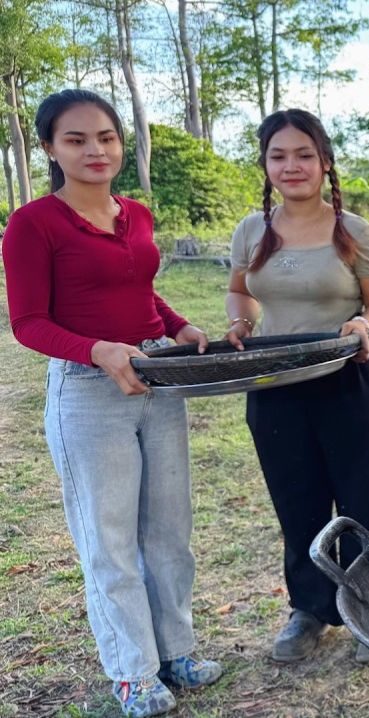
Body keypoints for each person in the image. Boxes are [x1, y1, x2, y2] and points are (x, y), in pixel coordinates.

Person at [2, 89, 221, 717]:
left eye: (106, 137)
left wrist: (178, 326)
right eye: (76, 139)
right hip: (88, 394)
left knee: (170, 532)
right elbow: (28, 323)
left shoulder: (138, 214)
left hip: (156, 378)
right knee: (110, 539)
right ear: (49, 148)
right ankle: (132, 673)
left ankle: (176, 651)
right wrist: (98, 350)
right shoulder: (34, 223)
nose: (95, 150)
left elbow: (142, 292)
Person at [223, 109, 369, 664]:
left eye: (303, 154)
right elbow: (238, 291)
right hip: (273, 382)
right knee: (296, 503)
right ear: (265, 164)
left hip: (349, 379)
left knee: (363, 501)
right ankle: (308, 609)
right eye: (279, 155)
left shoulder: (355, 232)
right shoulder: (253, 230)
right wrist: (242, 322)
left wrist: (364, 324)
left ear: (325, 161)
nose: (291, 165)